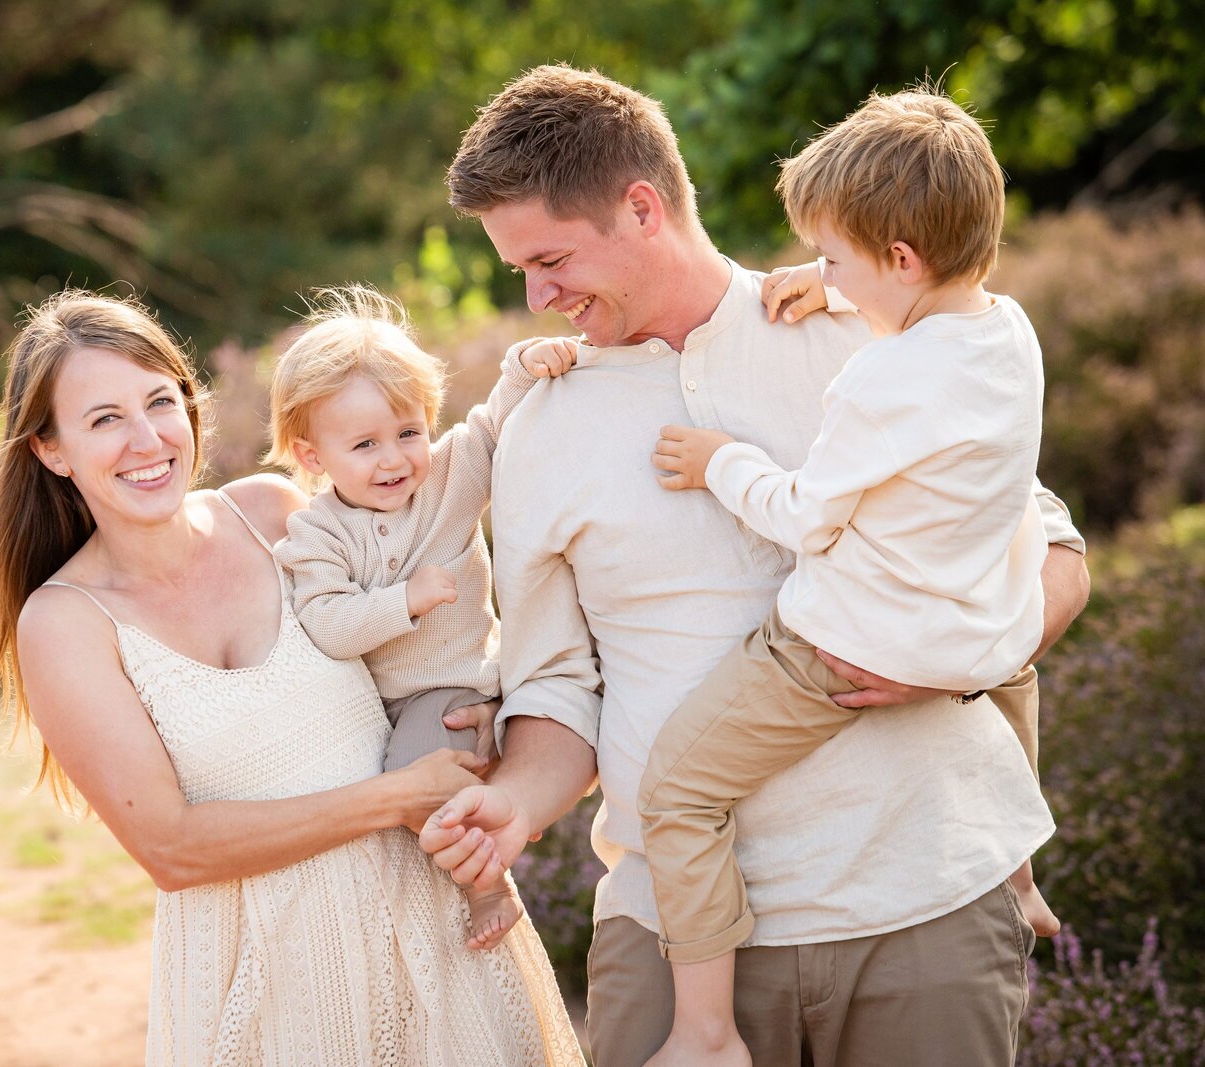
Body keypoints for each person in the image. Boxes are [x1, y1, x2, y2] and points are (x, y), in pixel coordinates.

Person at [417, 65, 1090, 1067]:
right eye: (519, 268)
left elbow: (1050, 547)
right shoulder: (539, 429)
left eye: (550, 259)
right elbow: (556, 684)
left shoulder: (866, 328)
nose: (536, 296)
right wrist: (515, 801)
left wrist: (960, 657)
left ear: (642, 207)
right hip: (669, 934)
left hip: (927, 902)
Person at [0, 291, 584, 1066]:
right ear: (52, 449)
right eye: (104, 418)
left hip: (441, 936)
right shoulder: (65, 623)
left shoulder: (272, 512)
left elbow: (401, 635)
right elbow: (173, 849)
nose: (147, 438)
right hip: (268, 985)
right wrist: (395, 795)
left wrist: (473, 697)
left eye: (160, 401)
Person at [637, 88, 1061, 1067]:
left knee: (679, 790)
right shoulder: (1008, 331)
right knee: (1015, 671)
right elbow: (926, 325)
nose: (820, 272)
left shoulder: (879, 378)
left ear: (900, 260)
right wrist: (833, 288)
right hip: (981, 637)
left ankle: (704, 1032)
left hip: (850, 645)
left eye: (832, 256)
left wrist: (720, 461)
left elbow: (803, 515)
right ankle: (1018, 873)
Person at [266, 284, 578, 950]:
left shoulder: (446, 479)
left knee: (419, 781)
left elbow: (492, 427)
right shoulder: (317, 533)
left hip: (449, 689)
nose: (394, 458)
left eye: (409, 432)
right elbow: (328, 624)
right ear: (313, 457)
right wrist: (402, 599)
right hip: (370, 704)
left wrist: (523, 365)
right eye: (365, 444)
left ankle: (487, 883)